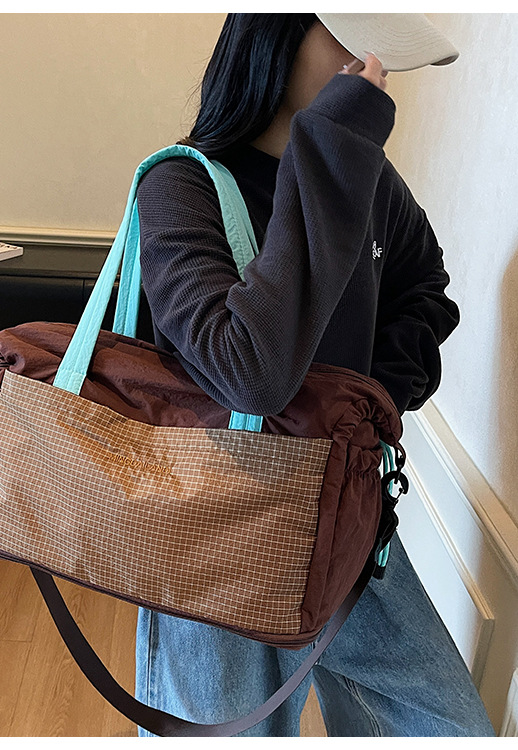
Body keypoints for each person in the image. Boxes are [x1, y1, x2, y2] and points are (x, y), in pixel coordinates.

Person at [133, 14, 496, 737]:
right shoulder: (181, 185)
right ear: (274, 34)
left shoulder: (370, 181)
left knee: (451, 727)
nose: (373, 67)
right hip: (215, 543)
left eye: (382, 52)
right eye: (350, 38)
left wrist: (372, 401)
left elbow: (425, 287)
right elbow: (248, 371)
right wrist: (329, 146)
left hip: (346, 520)